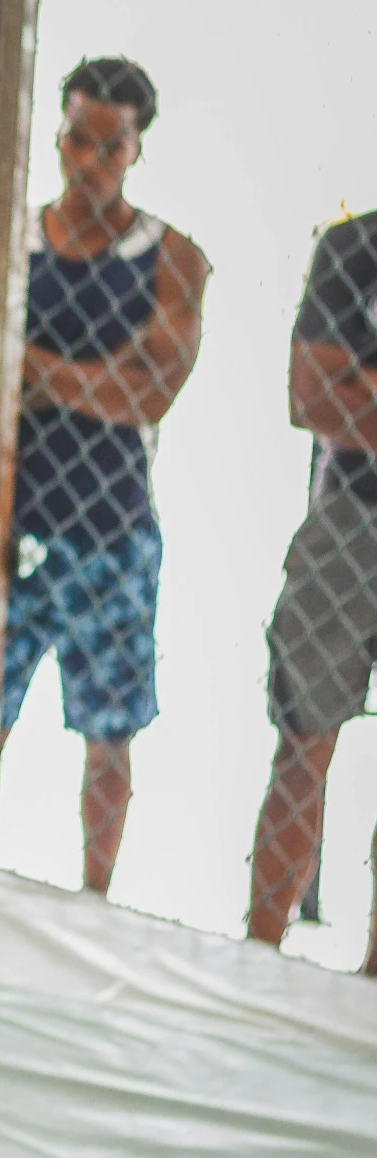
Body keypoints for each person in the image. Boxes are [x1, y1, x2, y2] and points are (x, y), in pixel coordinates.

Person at [0, 57, 211, 895]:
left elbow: (150, 394)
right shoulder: (12, 239)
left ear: (135, 148)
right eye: (76, 139)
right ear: (57, 132)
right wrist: (97, 376)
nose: (88, 160)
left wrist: (35, 367)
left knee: (107, 733)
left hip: (111, 525)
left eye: (108, 146)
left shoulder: (171, 256)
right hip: (6, 522)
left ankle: (95, 898)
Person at [248, 208, 377, 974]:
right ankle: (256, 964)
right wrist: (344, 389)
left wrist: (358, 381)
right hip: (345, 522)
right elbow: (310, 396)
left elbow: (342, 391)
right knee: (301, 745)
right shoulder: (354, 245)